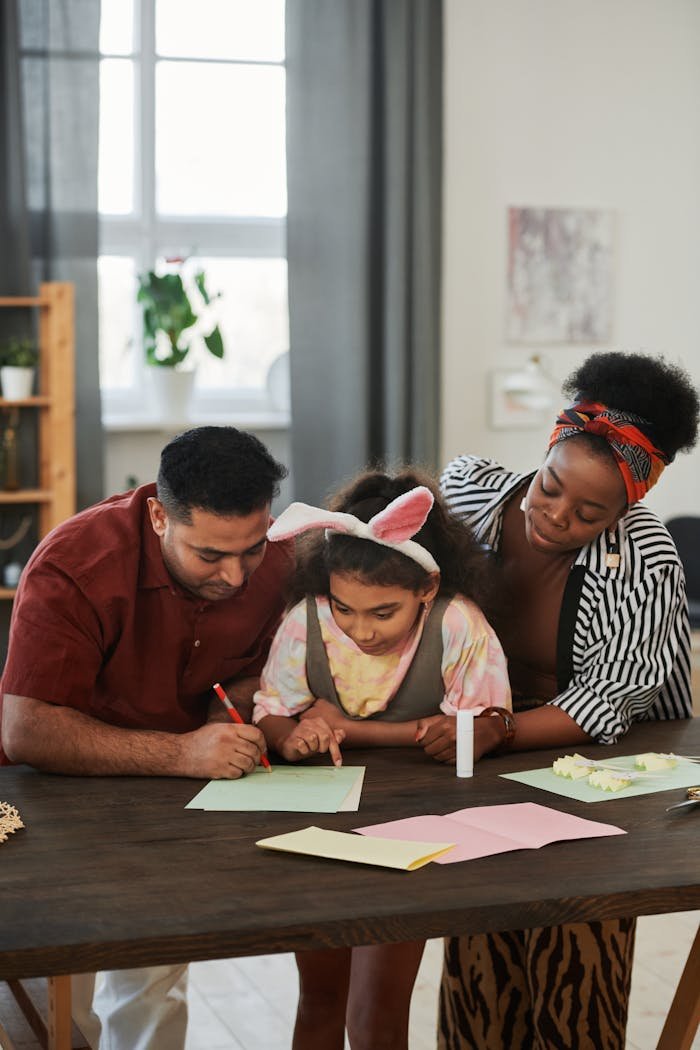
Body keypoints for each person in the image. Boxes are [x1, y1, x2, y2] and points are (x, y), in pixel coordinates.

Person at [436, 351, 699, 1050]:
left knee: (576, 960)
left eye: (590, 513)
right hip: (485, 754)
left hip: (606, 773)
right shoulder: (467, 495)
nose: (555, 517)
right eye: (550, 488)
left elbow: (609, 701)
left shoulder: (645, 557)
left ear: (628, 507)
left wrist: (496, 730)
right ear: (548, 446)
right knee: (480, 952)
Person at [0, 426, 293, 1050]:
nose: (237, 577)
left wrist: (231, 711)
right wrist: (182, 752)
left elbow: (258, 672)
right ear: (159, 517)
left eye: (253, 548)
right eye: (210, 555)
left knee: (155, 978)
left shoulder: (277, 564)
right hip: (47, 794)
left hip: (175, 794)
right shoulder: (74, 564)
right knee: (54, 993)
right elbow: (27, 730)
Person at [252, 469, 511, 1050]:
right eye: (345, 609)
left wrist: (350, 730)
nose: (360, 630)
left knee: (378, 1011)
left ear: (426, 589)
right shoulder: (307, 619)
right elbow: (271, 709)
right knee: (319, 999)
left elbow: (473, 730)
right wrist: (290, 738)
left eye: (382, 613)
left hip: (414, 832)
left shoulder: (458, 623)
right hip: (314, 825)